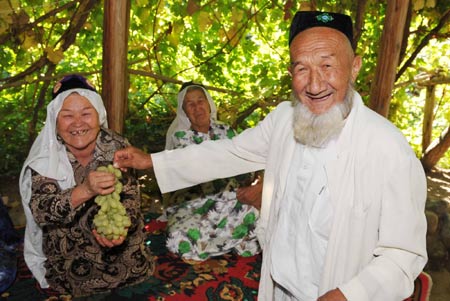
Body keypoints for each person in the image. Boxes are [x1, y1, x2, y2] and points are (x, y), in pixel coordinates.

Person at [113, 11, 427, 301]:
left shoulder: (388, 148)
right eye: (302, 68)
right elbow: (230, 152)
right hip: (277, 288)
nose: (315, 84)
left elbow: (402, 257)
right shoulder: (283, 119)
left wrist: (347, 295)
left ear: (355, 66)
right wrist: (152, 161)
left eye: (327, 65)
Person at [19, 75, 154, 297]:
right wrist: (85, 190)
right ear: (55, 120)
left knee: (133, 263)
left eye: (86, 113)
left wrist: (122, 227)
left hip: (117, 240)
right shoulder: (45, 157)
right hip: (70, 248)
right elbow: (42, 212)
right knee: (76, 277)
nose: (78, 123)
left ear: (98, 116)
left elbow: (130, 196)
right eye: (68, 116)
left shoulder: (118, 146)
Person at [161, 81, 262, 261]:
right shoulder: (180, 138)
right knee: (175, 238)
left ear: (209, 104)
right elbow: (200, 174)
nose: (197, 107)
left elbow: (246, 167)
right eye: (190, 104)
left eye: (201, 101)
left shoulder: (226, 130)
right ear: (184, 111)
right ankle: (230, 241)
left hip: (232, 200)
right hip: (195, 204)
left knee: (258, 217)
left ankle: (216, 243)